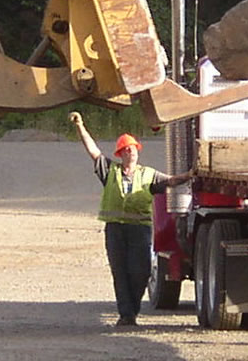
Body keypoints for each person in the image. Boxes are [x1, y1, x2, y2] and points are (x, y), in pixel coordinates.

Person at [69, 111, 190, 327]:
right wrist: (80, 126)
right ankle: (127, 315)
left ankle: (131, 310)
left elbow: (171, 181)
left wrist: (190, 175)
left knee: (141, 272)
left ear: (137, 152)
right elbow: (92, 150)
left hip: (139, 230)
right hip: (115, 230)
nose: (130, 152)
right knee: (120, 273)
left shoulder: (148, 174)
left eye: (133, 149)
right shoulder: (110, 171)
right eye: (126, 150)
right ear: (120, 154)